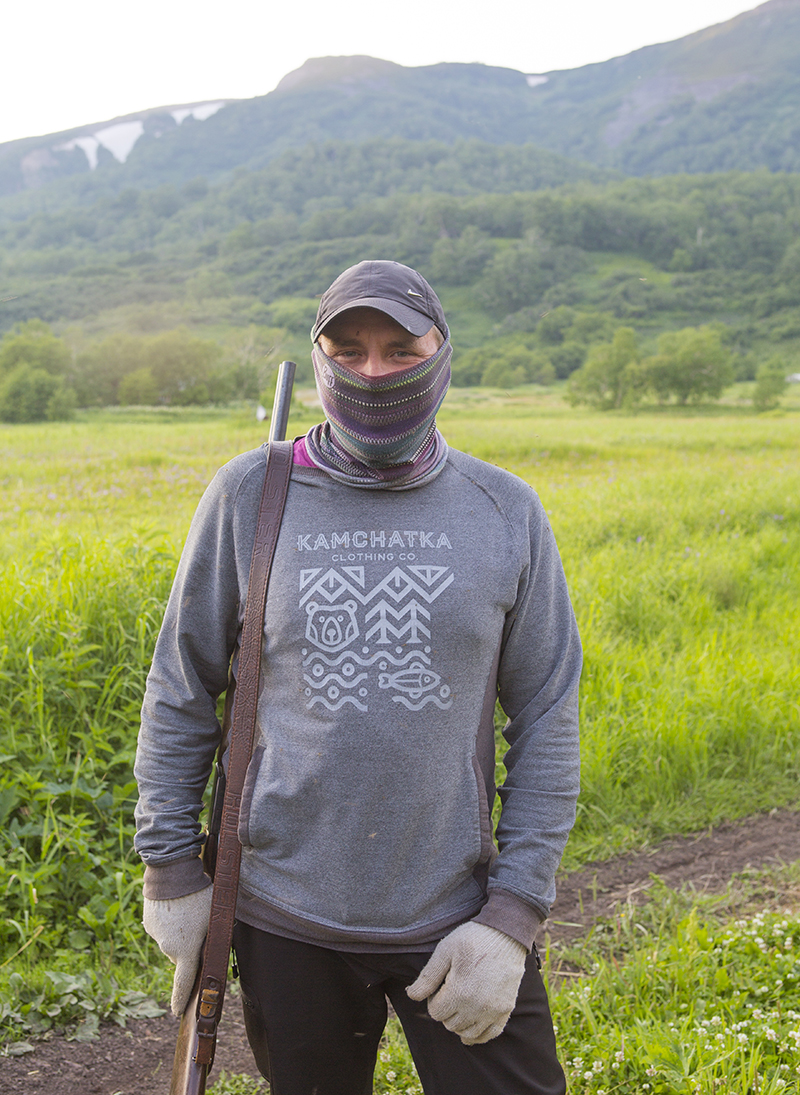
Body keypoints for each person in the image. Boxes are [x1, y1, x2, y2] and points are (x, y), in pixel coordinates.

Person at [134, 259, 581, 1095]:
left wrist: (513, 918)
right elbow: (182, 687)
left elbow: (549, 713)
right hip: (283, 916)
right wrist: (172, 872)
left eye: (400, 349)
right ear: (319, 358)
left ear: (443, 352)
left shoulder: (504, 510)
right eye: (349, 348)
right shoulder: (247, 494)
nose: (372, 370)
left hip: (458, 911)